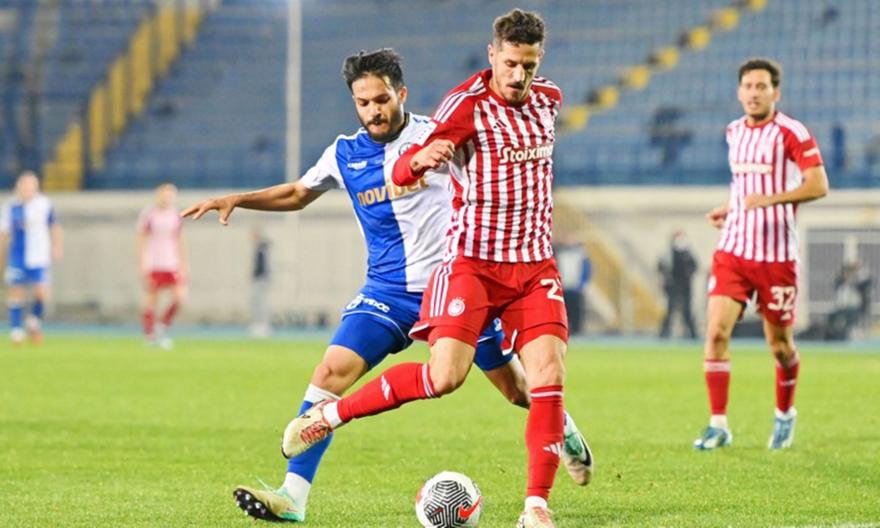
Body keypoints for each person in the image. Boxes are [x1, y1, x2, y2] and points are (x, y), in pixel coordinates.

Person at [181, 48, 591, 524]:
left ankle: (562, 427)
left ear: (402, 94)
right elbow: (297, 193)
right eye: (363, 103)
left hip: (458, 286)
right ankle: (293, 496)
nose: (374, 111)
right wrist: (239, 199)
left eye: (382, 100)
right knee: (331, 371)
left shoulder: (438, 133)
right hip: (388, 292)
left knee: (518, 390)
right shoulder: (344, 153)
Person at [281, 11, 578, 527]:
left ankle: (536, 507)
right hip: (472, 266)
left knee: (546, 377)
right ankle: (330, 415)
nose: (518, 76)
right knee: (446, 378)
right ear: (493, 55)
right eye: (510, 63)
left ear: (540, 61)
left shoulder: (549, 99)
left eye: (528, 66)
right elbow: (401, 166)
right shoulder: (464, 106)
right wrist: (420, 161)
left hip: (534, 266)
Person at [695, 58, 829, 451]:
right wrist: (731, 208)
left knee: (780, 346)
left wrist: (770, 201)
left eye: (761, 87)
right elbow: (744, 187)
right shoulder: (734, 131)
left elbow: (818, 185)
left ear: (775, 92)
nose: (754, 93)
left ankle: (785, 414)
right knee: (716, 332)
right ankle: (718, 424)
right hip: (733, 251)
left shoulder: (791, 132)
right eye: (748, 86)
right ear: (739, 92)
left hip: (777, 258)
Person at [0, 171, 62, 345]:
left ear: (36, 187)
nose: (27, 189)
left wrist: (57, 246)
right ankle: (16, 330)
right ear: (18, 186)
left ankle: (34, 320)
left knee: (41, 291)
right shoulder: (10, 207)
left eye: (30, 185)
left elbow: (54, 226)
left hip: (39, 255)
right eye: (24, 185)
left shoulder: (44, 204)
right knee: (15, 290)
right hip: (17, 255)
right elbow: (4, 233)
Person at [137, 183, 187, 349]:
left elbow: (179, 241)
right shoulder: (149, 214)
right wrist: (142, 264)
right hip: (154, 263)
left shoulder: (175, 215)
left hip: (171, 263)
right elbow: (141, 240)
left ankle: (162, 326)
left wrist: (183, 264)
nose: (167, 199)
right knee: (152, 300)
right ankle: (150, 335)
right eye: (165, 195)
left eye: (171, 196)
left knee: (180, 298)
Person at [658, 230, 698, 339]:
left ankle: (692, 334)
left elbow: (694, 267)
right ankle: (664, 333)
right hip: (673, 286)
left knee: (687, 311)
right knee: (670, 310)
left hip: (685, 286)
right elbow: (661, 266)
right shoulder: (668, 254)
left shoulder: (688, 254)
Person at [554, 233, 591, 335]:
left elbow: (586, 270)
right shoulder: (559, 253)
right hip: (563, 287)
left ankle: (577, 332)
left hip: (575, 288)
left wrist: (581, 285)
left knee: (576, 312)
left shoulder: (581, 255)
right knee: (564, 312)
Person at [249, 227, 272, 338]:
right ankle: (258, 325)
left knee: (260, 304)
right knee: (256, 303)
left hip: (261, 280)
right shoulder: (259, 249)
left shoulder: (261, 249)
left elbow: (262, 267)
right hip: (259, 280)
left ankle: (262, 327)